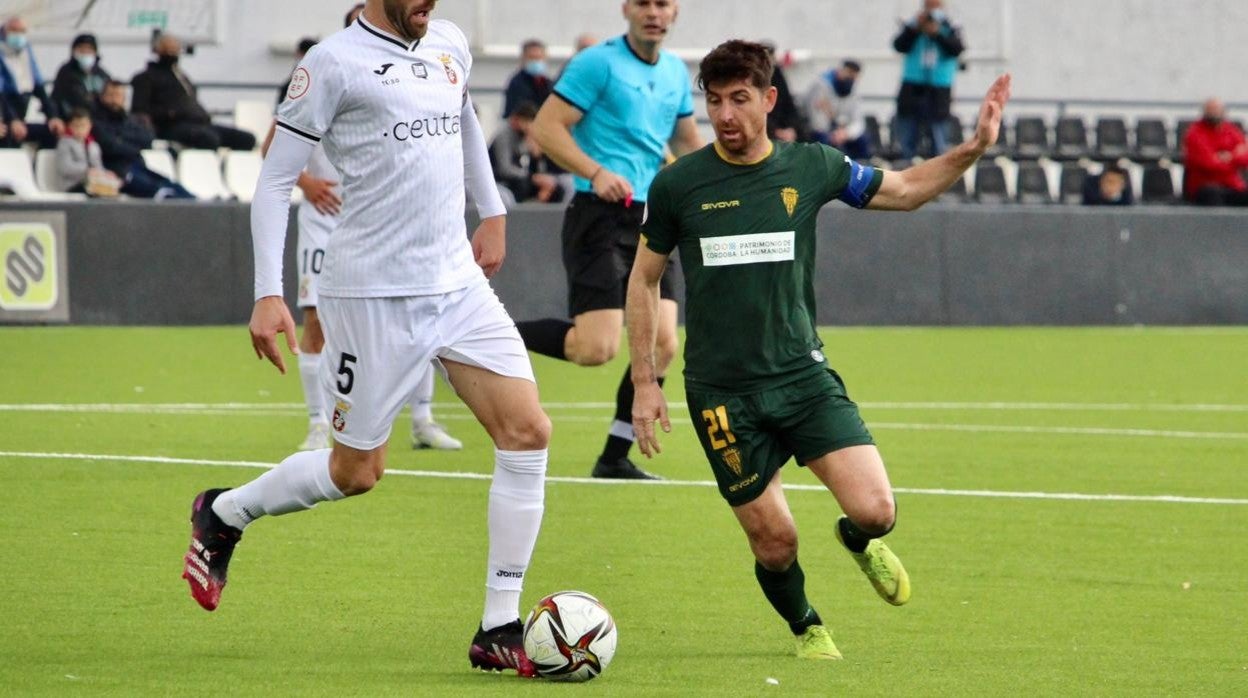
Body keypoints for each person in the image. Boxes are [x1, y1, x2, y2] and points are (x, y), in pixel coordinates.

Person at [181, 0, 550, 679]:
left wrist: (492, 209)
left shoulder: (449, 43)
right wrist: (268, 292)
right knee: (357, 473)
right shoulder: (329, 64)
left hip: (457, 286)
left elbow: (466, 119)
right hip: (370, 296)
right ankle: (224, 512)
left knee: (528, 432)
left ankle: (499, 624)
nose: (428, 5)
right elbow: (275, 179)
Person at [627, 40, 1010, 659]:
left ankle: (856, 542)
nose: (725, 114)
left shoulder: (812, 166)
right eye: (715, 100)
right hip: (722, 394)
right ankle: (807, 626)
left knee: (878, 512)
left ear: (769, 100)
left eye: (740, 99)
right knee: (774, 541)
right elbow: (643, 279)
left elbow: (907, 189)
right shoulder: (678, 184)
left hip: (803, 380)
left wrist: (974, 149)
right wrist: (646, 382)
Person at [520, 0, 703, 480]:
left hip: (654, 220)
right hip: (599, 217)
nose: (653, 12)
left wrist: (722, 184)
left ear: (675, 13)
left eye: (662, 4)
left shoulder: (675, 74)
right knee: (594, 348)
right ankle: (475, 336)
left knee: (664, 346)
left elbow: (687, 142)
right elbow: (545, 127)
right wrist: (595, 171)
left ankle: (614, 457)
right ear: (626, 9)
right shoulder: (596, 63)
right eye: (643, 3)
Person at [270, 20, 462, 452]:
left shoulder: (408, 80)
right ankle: (319, 423)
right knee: (316, 320)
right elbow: (272, 152)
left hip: (377, 220)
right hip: (324, 218)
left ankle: (423, 418)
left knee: (421, 312)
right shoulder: (331, 69)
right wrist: (309, 184)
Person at [130, 34, 257, 151]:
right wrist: (171, 113)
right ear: (157, 51)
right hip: (171, 126)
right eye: (168, 49)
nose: (173, 53)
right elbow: (139, 110)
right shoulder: (146, 78)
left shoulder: (181, 77)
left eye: (175, 49)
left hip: (200, 124)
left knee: (246, 139)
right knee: (209, 139)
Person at [91, 80, 194, 199]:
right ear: (103, 96)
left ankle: (199, 206)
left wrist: (121, 139)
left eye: (118, 95)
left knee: (172, 185)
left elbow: (147, 139)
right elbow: (110, 146)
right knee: (160, 191)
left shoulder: (129, 120)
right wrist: (132, 145)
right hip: (117, 171)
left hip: (138, 165)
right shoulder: (96, 121)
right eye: (111, 95)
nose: (115, 99)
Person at [892, 0, 965, 159]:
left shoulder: (951, 24)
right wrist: (914, 28)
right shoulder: (914, 23)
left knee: (938, 140)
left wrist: (938, 34)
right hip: (912, 87)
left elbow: (956, 49)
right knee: (907, 139)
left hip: (938, 89)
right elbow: (899, 45)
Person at [0, 16, 65, 149]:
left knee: (52, 132)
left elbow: (38, 85)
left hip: (21, 112)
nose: (18, 35)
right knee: (8, 136)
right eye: (14, 30)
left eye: (22, 31)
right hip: (5, 113)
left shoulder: (25, 51)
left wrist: (52, 116)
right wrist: (12, 120)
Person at [490, 101, 564, 205]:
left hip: (522, 176)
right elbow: (504, 169)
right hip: (502, 179)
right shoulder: (504, 136)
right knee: (522, 184)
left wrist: (537, 156)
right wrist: (531, 177)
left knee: (557, 188)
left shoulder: (526, 137)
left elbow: (537, 167)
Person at [1182, 98, 1248, 206]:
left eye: (1217, 109)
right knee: (1213, 194)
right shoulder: (1194, 133)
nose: (1215, 113)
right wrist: (1234, 157)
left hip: (1231, 185)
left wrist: (1227, 157)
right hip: (1204, 187)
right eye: (1211, 110)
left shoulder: (1232, 131)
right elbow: (1209, 163)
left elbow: (1245, 158)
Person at [803, 59, 871, 160]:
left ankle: (861, 170)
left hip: (842, 130)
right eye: (848, 74)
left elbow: (858, 120)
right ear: (840, 71)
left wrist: (846, 133)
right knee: (823, 140)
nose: (850, 79)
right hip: (822, 130)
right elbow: (816, 120)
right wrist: (834, 133)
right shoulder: (820, 86)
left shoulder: (853, 91)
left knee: (862, 140)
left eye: (854, 77)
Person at [52, 108, 119, 195]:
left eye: (83, 125)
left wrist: (105, 173)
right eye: (76, 126)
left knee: (111, 188)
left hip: (92, 182)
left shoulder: (94, 145)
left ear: (89, 126)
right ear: (70, 126)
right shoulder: (64, 143)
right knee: (95, 190)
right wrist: (87, 171)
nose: (80, 129)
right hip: (72, 184)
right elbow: (65, 168)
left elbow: (97, 167)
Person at [52, 33, 111, 116]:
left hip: (99, 118)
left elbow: (109, 91)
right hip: (73, 117)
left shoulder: (101, 73)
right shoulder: (66, 72)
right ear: (74, 51)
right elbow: (71, 98)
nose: (85, 52)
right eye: (81, 49)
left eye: (89, 49)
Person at [761, 42, 804, 143]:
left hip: (784, 128)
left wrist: (791, 128)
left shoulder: (778, 74)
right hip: (767, 129)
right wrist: (777, 132)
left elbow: (788, 104)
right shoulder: (755, 78)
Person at [503, 39, 552, 119]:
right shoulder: (516, 83)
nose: (536, 62)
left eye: (539, 58)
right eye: (532, 58)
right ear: (523, 59)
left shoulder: (548, 83)